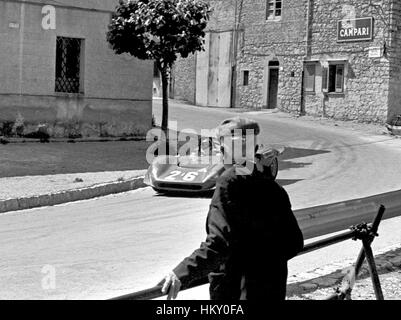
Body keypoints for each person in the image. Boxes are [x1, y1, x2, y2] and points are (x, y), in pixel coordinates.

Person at [159, 117, 304, 300]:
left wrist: (181, 273)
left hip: (236, 290)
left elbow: (219, 243)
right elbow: (294, 242)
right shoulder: (274, 188)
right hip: (272, 289)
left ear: (222, 150)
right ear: (255, 148)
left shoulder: (229, 182)